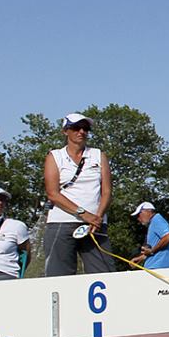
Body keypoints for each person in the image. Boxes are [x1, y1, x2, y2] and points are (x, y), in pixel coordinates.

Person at [43, 113, 115, 276]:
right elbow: (53, 194)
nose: (81, 132)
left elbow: (107, 191)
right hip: (61, 222)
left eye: (86, 128)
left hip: (95, 225)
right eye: (76, 128)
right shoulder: (55, 156)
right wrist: (83, 214)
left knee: (104, 274)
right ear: (65, 131)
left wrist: (97, 217)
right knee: (58, 276)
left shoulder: (98, 155)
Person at [130, 201, 169, 269]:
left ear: (148, 211)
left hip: (158, 267)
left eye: (139, 214)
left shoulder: (157, 220)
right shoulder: (153, 222)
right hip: (156, 267)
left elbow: (168, 238)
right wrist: (141, 258)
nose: (138, 218)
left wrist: (151, 251)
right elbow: (153, 251)